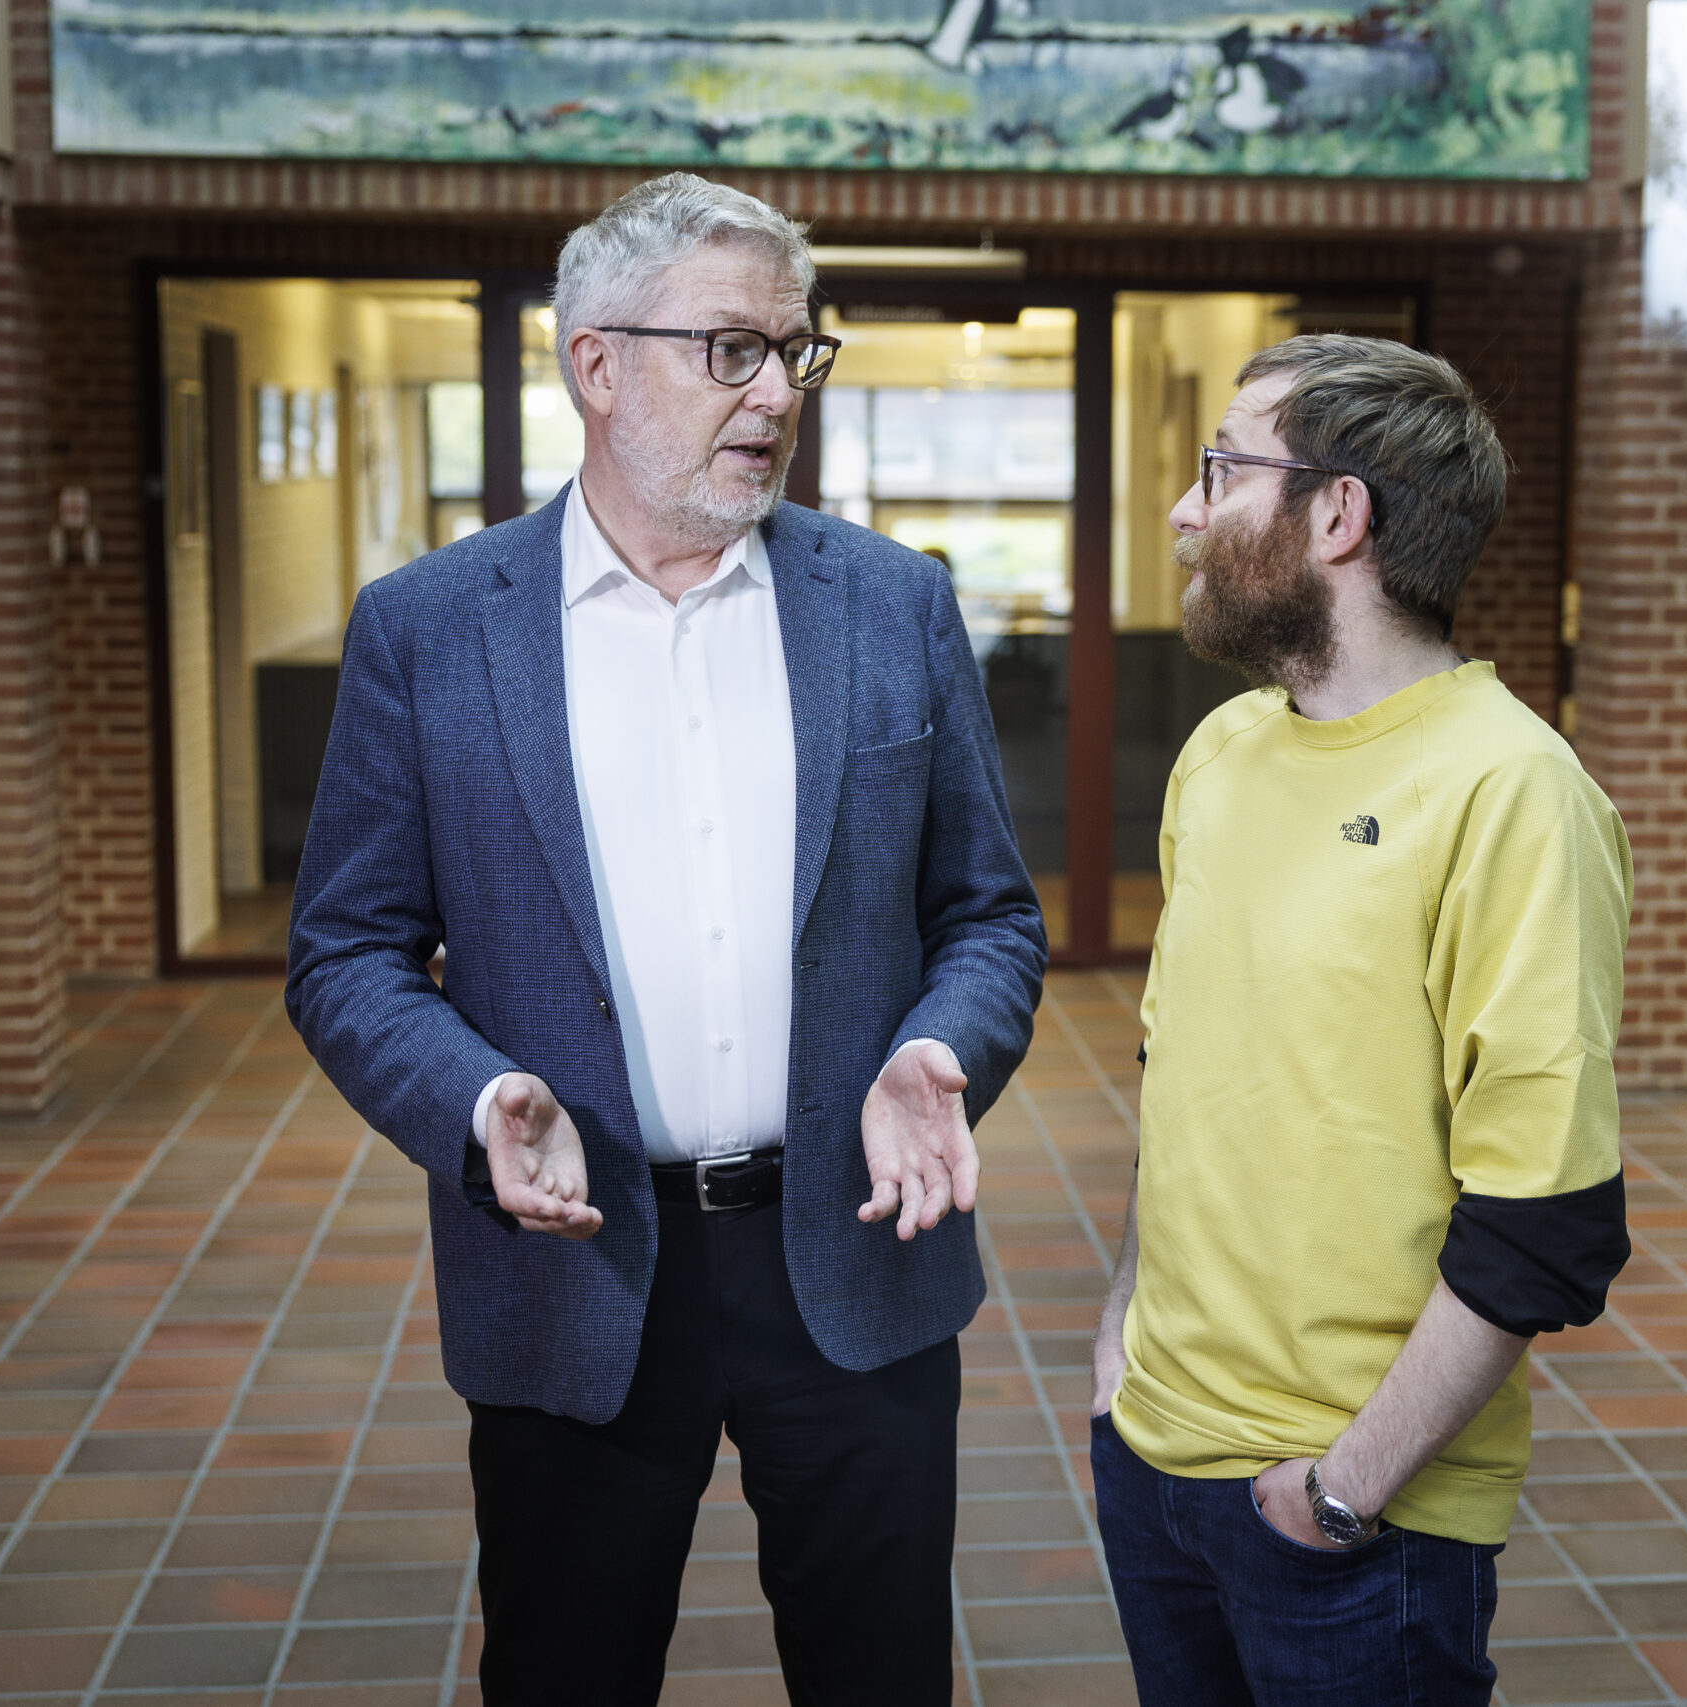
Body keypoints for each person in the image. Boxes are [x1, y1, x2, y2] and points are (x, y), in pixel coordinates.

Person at [285, 173, 1046, 1706]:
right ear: (595, 363)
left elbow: (988, 916)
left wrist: (931, 1048)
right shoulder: (431, 628)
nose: (775, 392)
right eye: (731, 351)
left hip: (855, 1251)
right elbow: (348, 953)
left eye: (794, 352)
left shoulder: (893, 606)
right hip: (577, 1268)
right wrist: (475, 1099)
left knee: (882, 1677)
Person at [1088, 335, 1633, 1705]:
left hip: (1348, 1521)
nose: (1184, 510)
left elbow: (1545, 1224)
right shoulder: (1222, 753)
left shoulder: (1513, 793)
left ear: (1338, 515)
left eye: (1222, 469)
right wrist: (1119, 1352)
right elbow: (1186, 1071)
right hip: (1154, 1458)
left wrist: (1342, 1492)